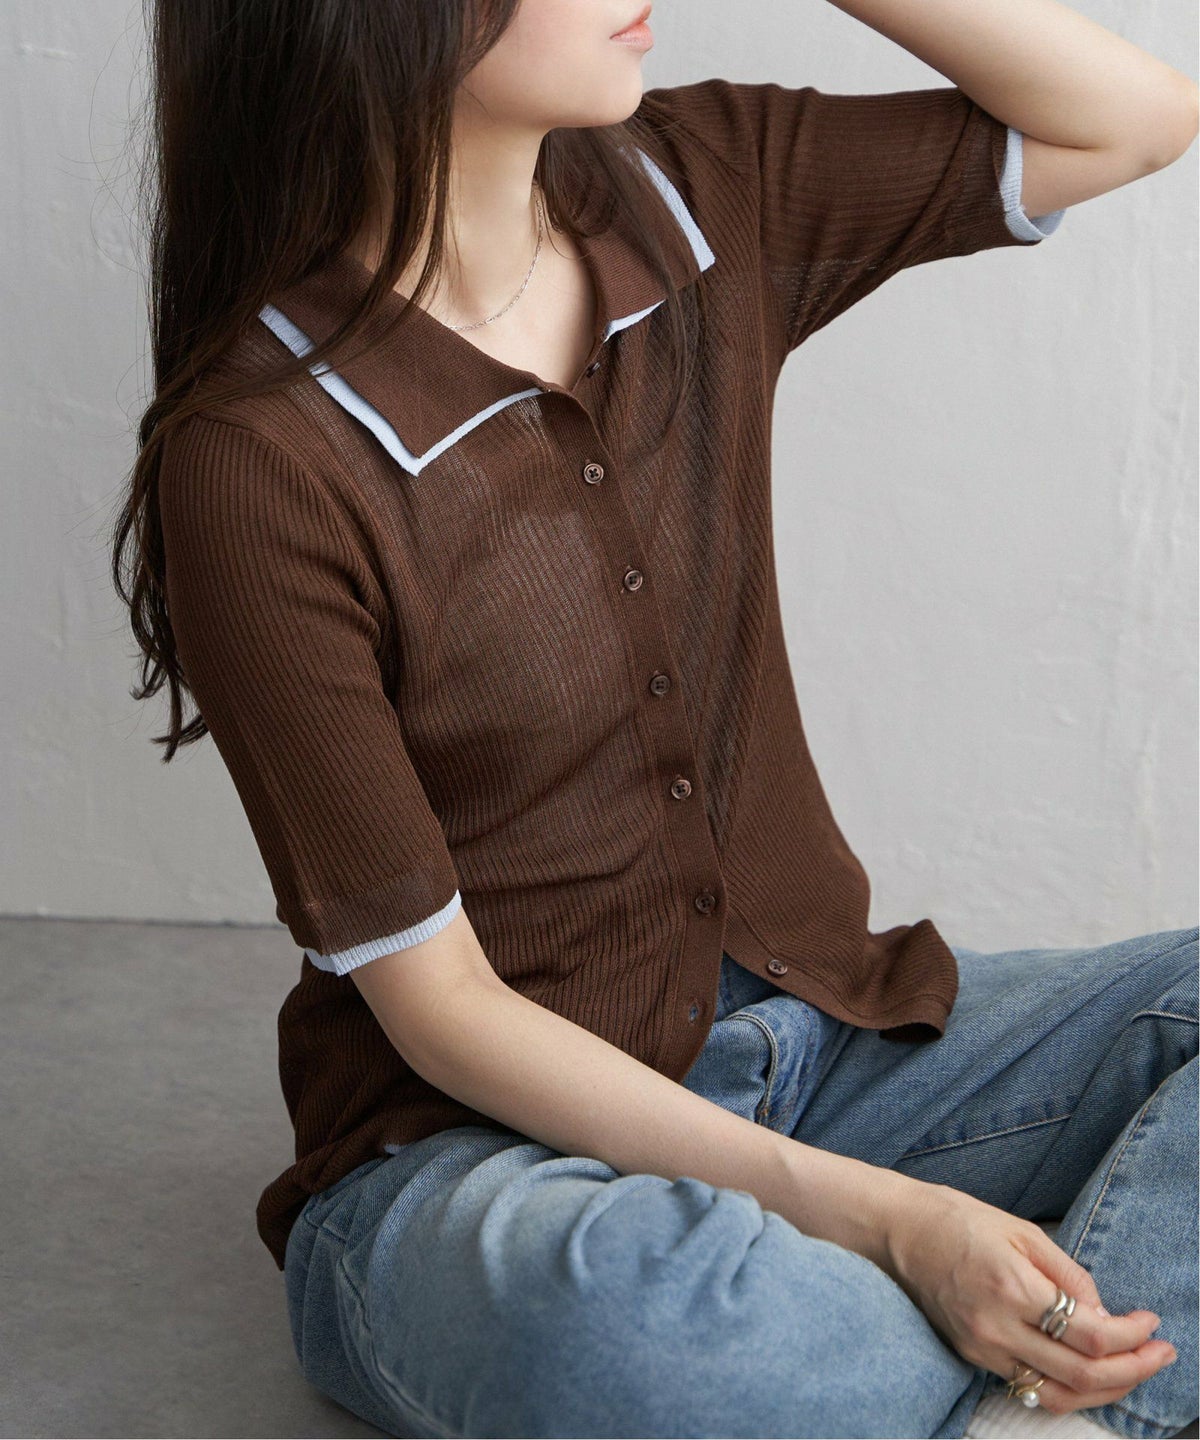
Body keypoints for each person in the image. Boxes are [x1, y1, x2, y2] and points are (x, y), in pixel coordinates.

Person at [110, 1, 1200, 1436]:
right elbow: (443, 1014)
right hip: (487, 1158)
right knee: (619, 1324)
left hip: (826, 1049)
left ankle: (1057, 1408)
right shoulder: (258, 458)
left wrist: (876, 1211)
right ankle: (1014, 1345)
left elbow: (1133, 119)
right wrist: (894, 1221)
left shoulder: (694, 186)